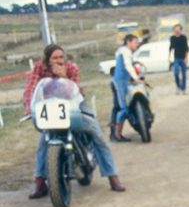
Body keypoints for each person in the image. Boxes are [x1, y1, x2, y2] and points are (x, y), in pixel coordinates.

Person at [23, 44, 126, 197]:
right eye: (55, 58)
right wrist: (29, 106)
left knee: (96, 134)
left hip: (75, 105)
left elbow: (75, 90)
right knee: (43, 142)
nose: (59, 60)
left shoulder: (71, 67)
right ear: (47, 59)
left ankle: (112, 176)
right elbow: (31, 88)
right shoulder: (39, 68)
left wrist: (63, 76)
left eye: (61, 57)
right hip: (52, 110)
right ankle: (39, 182)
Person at [110, 33, 141, 142]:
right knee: (123, 108)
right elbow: (128, 66)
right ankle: (117, 135)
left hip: (121, 81)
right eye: (135, 42)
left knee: (118, 107)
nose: (137, 44)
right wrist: (136, 78)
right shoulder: (126, 51)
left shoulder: (123, 51)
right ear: (128, 42)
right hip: (119, 82)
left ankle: (115, 133)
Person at [168, 23, 189, 94]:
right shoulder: (172, 38)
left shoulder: (183, 38)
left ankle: (183, 89)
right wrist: (168, 57)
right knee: (176, 72)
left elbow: (186, 48)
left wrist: (186, 57)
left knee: (184, 74)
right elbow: (171, 47)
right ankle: (178, 86)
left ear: (180, 30)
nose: (177, 31)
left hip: (183, 58)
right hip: (176, 58)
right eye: (175, 29)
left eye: (178, 29)